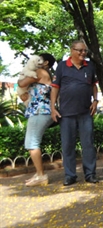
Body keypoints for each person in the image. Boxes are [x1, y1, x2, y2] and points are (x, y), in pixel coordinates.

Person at [50, 41, 99, 186]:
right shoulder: (62, 66)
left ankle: (90, 174)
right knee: (68, 145)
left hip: (85, 112)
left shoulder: (89, 66)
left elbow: (93, 86)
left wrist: (95, 100)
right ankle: (70, 175)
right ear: (72, 50)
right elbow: (55, 88)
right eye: (80, 51)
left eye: (85, 51)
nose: (83, 53)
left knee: (88, 144)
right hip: (66, 113)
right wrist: (53, 108)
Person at [19, 53, 56, 186]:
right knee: (33, 142)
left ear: (46, 63)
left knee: (32, 143)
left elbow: (21, 82)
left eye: (40, 59)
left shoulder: (39, 72)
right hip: (42, 110)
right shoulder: (46, 74)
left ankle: (41, 175)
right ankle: (38, 173)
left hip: (39, 111)